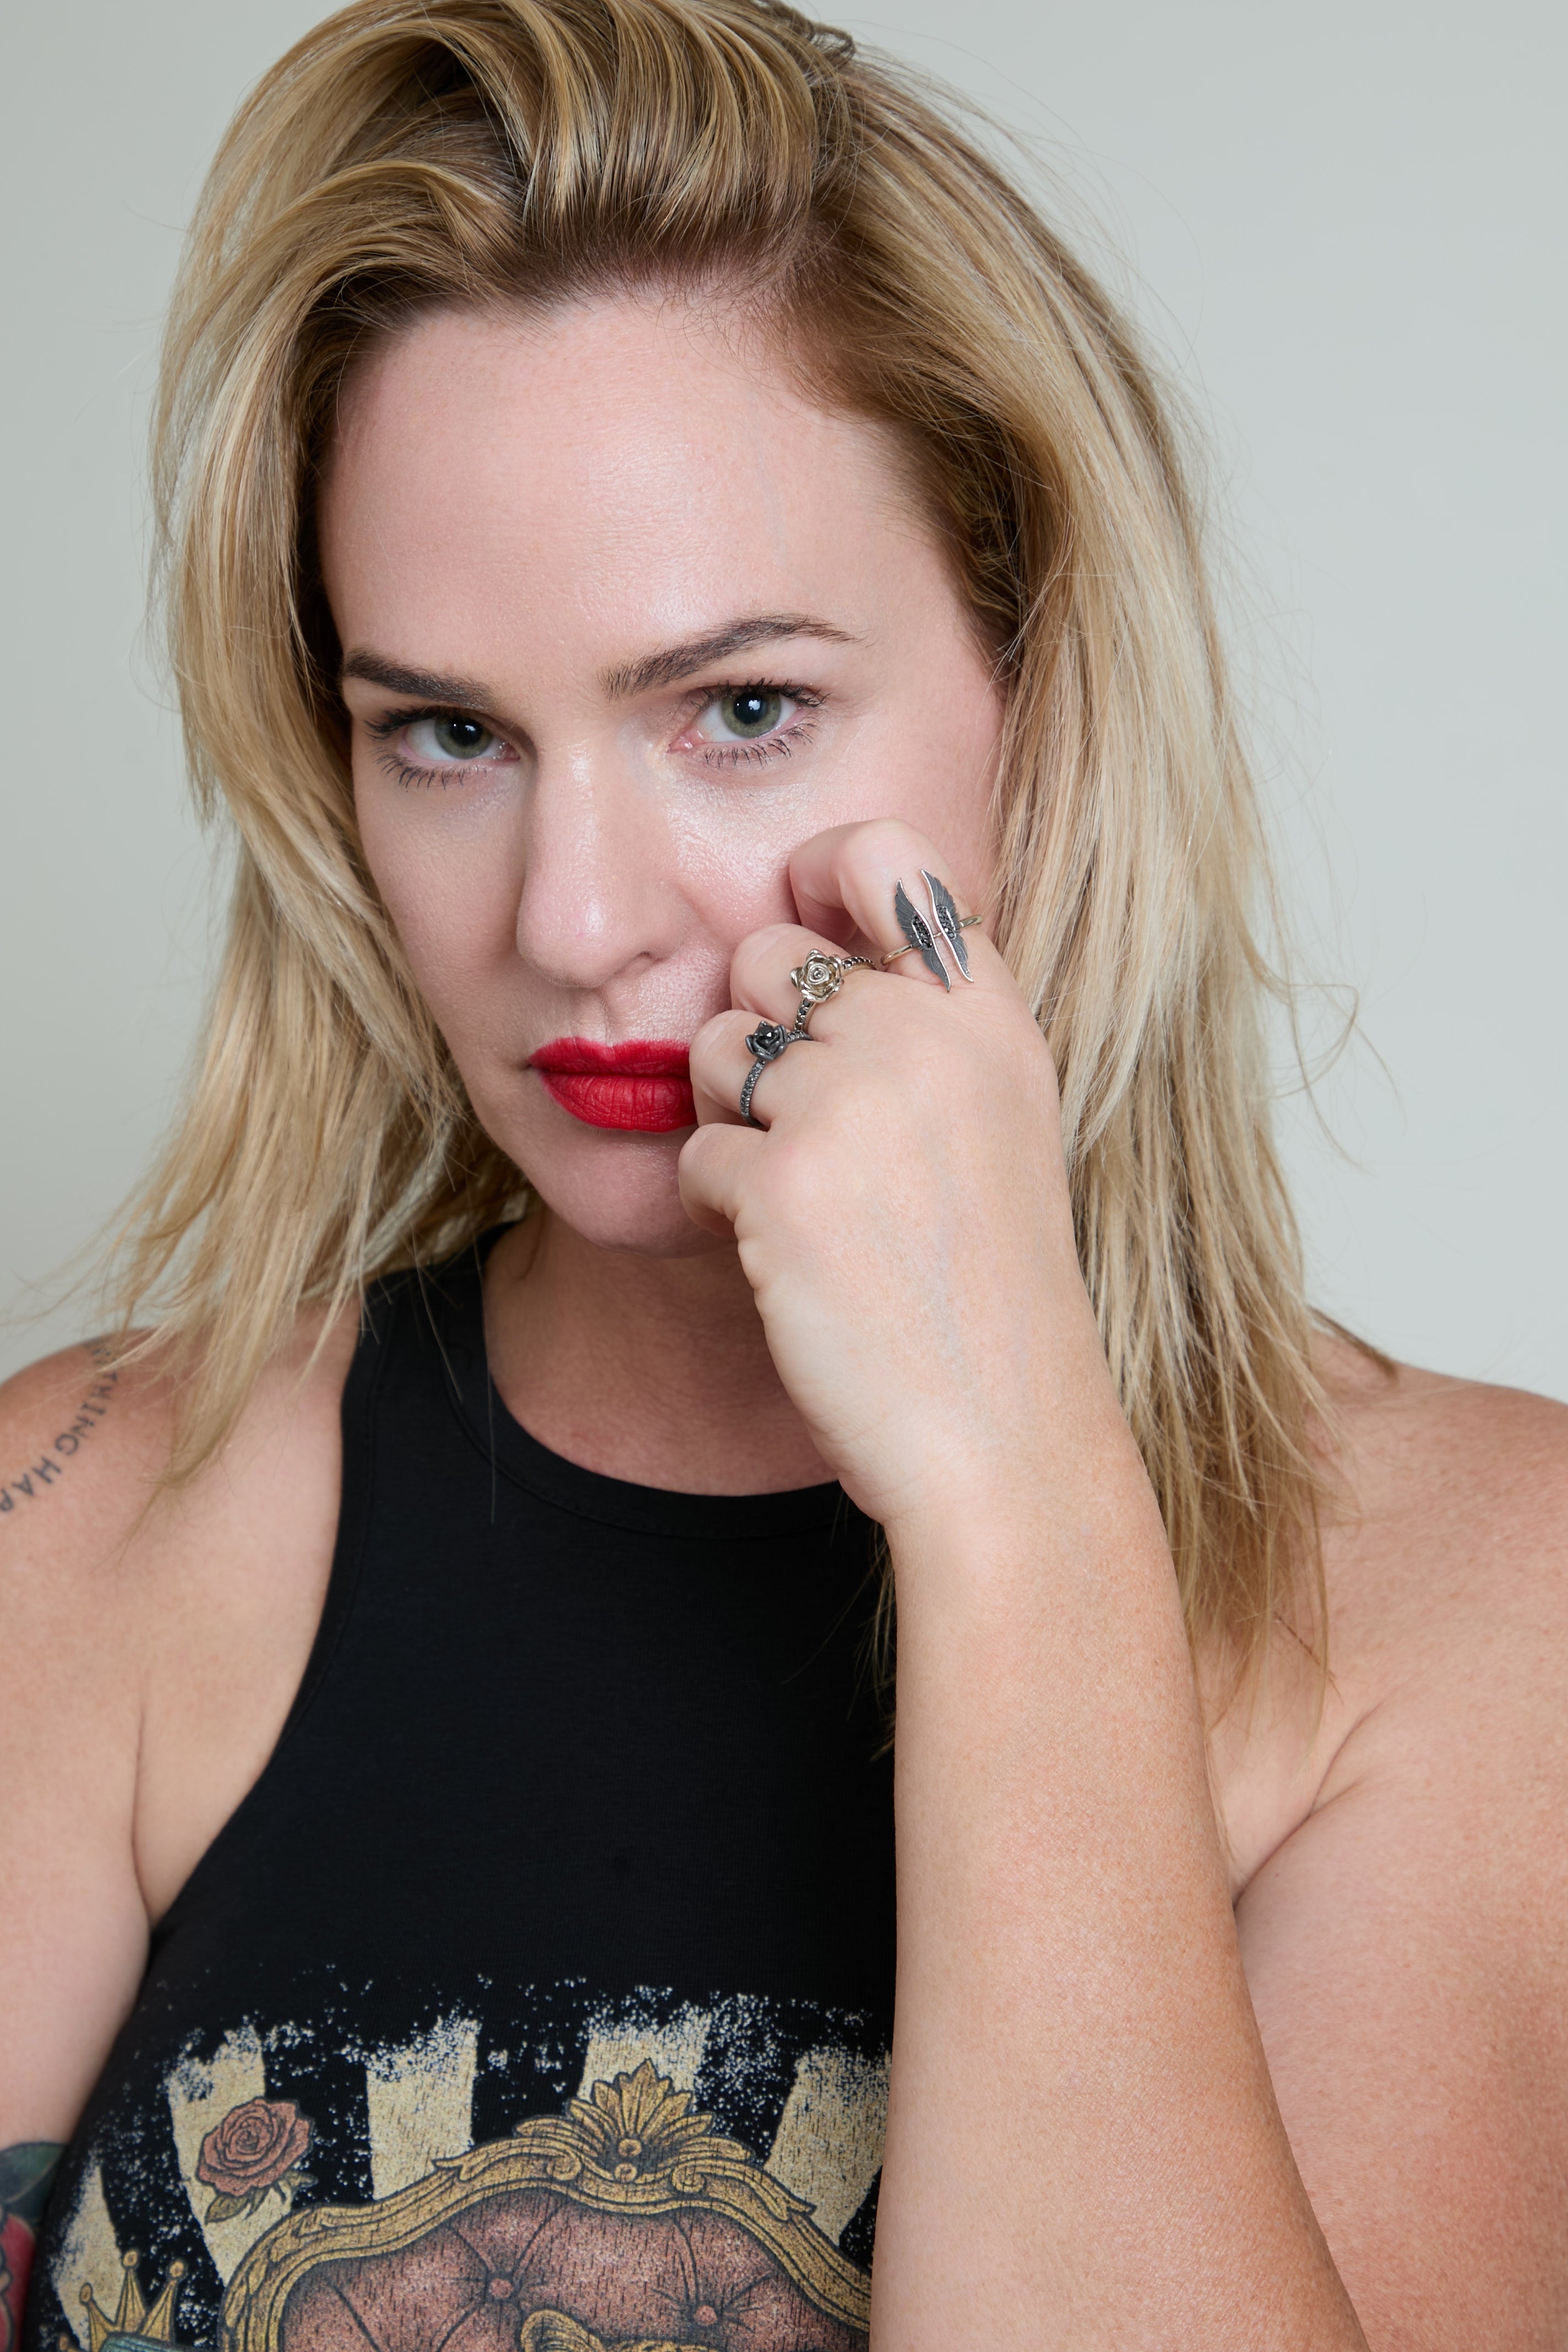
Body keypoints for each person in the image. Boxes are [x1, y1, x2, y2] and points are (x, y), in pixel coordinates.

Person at [2, 1, 1564, 2344]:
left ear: (1041, 682)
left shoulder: (1479, 1606)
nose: (572, 918)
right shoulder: (92, 1522)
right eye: (445, 734)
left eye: (738, 708)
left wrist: (1013, 1474)